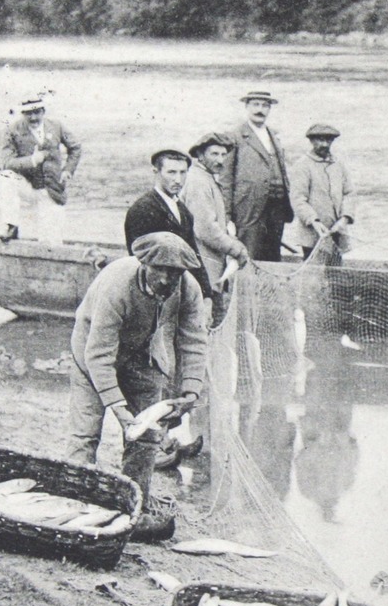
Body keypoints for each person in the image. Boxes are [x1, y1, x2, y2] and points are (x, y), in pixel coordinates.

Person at [66, 232, 208, 502]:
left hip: (141, 353)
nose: (166, 280)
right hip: (91, 353)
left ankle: (134, 500)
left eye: (175, 273)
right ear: (144, 264)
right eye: (160, 271)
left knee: (147, 435)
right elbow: (98, 355)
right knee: (85, 433)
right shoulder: (117, 286)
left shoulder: (188, 289)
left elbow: (194, 340)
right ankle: (74, 498)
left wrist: (191, 392)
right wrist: (117, 407)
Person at [123, 149, 212, 301]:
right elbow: (140, 261)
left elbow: (192, 255)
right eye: (171, 172)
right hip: (153, 295)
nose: (178, 179)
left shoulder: (183, 210)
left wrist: (206, 296)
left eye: (183, 173)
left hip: (179, 292)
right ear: (156, 172)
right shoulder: (143, 209)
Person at [0, 92, 81, 243]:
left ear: (43, 111)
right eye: (28, 113)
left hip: (51, 189)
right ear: (23, 113)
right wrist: (32, 160)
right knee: (6, 177)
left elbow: (75, 148)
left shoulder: (57, 126)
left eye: (37, 112)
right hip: (28, 186)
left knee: (51, 241)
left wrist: (68, 170)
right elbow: (7, 163)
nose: (33, 117)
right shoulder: (12, 130)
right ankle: (11, 226)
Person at [224, 90, 292, 262]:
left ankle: (269, 289)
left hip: (277, 206)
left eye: (264, 105)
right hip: (248, 207)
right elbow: (226, 178)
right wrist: (226, 214)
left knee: (273, 256)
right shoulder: (235, 136)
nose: (260, 109)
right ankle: (245, 289)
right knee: (249, 254)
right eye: (255, 104)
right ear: (247, 107)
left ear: (269, 109)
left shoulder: (274, 135)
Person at [180, 132, 252, 292]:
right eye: (214, 154)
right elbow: (205, 230)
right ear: (200, 154)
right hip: (201, 270)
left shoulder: (207, 178)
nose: (220, 160)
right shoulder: (199, 182)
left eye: (223, 155)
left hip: (210, 268)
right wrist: (235, 249)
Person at [287, 123, 356, 266]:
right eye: (320, 140)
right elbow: (298, 199)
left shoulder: (339, 164)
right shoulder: (302, 165)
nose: (324, 144)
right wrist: (314, 221)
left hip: (337, 232)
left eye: (328, 140)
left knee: (335, 274)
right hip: (312, 235)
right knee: (313, 276)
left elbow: (349, 193)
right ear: (311, 141)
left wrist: (344, 219)